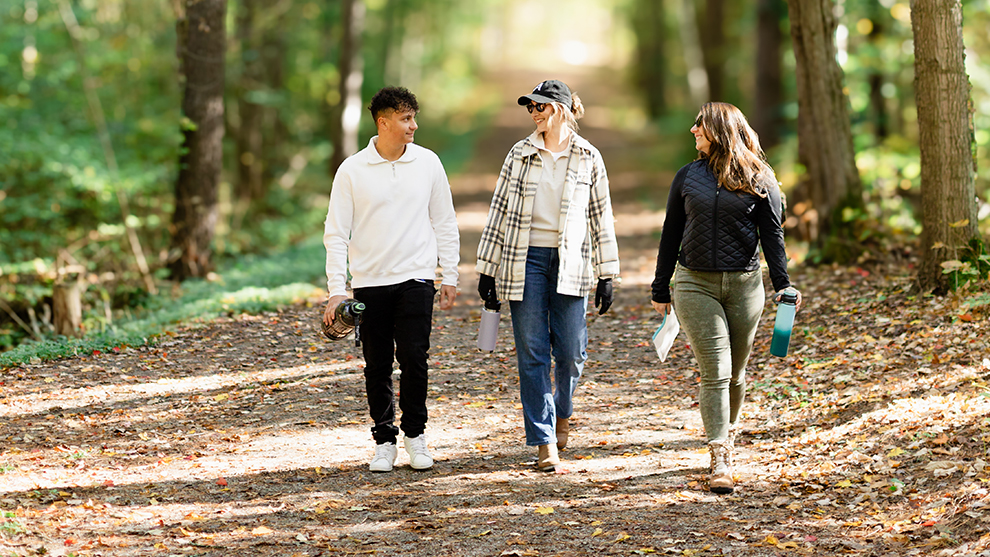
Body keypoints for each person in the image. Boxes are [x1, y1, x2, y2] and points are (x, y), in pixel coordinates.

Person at [651, 102, 802, 494]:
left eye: (699, 124)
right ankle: (719, 455)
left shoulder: (760, 177)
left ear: (718, 129)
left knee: (735, 373)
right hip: (694, 283)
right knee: (716, 370)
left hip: (745, 286)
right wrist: (660, 285)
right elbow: (671, 232)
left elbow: (773, 235)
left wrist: (783, 284)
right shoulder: (687, 177)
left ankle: (728, 435)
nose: (692, 130)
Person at [476, 79, 620, 471]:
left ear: (560, 109)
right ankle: (544, 442)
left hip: (571, 261)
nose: (535, 114)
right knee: (533, 351)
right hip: (526, 259)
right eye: (530, 108)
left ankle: (564, 409)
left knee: (572, 351)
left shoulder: (588, 156)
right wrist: (487, 268)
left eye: (540, 107)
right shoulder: (519, 154)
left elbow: (601, 216)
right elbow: (499, 210)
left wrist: (607, 273)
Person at [323, 86, 460, 473]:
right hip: (369, 281)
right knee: (377, 363)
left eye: (414, 117)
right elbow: (336, 232)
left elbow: (445, 221)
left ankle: (416, 436)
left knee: (415, 358)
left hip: (417, 277)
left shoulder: (429, 163)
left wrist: (449, 273)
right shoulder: (352, 170)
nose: (414, 125)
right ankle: (384, 440)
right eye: (405, 118)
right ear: (383, 122)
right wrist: (337, 289)